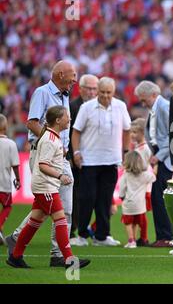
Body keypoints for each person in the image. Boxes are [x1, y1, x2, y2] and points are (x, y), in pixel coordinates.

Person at [5, 60, 77, 267]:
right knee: (58, 208)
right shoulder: (42, 92)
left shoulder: (65, 95)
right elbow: (32, 122)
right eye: (72, 75)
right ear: (61, 74)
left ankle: (18, 242)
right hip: (45, 154)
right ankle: (60, 255)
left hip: (59, 155)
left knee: (47, 208)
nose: (74, 79)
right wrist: (51, 140)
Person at [6, 106, 90, 269]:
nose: (69, 119)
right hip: (46, 187)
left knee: (34, 222)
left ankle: (16, 256)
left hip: (44, 186)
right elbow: (43, 165)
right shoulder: (50, 140)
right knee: (61, 220)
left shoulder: (51, 137)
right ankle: (69, 260)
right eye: (67, 117)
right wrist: (60, 176)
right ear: (58, 120)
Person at [72, 76, 131, 246]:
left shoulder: (120, 106)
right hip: (89, 160)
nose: (105, 96)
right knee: (87, 198)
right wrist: (76, 152)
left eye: (109, 93)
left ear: (114, 92)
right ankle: (82, 234)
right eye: (102, 92)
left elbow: (127, 130)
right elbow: (76, 131)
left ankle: (102, 236)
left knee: (105, 200)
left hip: (111, 160)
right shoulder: (86, 107)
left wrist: (126, 152)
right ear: (97, 91)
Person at [134, 80, 173, 247]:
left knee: (160, 198)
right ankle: (163, 236)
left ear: (153, 94)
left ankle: (166, 236)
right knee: (158, 198)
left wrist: (159, 155)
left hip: (164, 159)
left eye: (144, 100)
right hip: (160, 157)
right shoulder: (155, 108)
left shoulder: (163, 107)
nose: (143, 103)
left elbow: (170, 135)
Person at [68, 74, 99, 246]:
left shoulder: (97, 107)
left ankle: (86, 228)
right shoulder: (73, 107)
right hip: (76, 160)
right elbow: (67, 134)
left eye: (95, 88)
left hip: (93, 159)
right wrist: (71, 156)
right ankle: (73, 230)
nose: (93, 92)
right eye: (89, 88)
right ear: (80, 88)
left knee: (90, 197)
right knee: (75, 197)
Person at [119, 151, 155, 249]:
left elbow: (122, 189)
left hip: (128, 203)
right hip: (140, 205)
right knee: (137, 222)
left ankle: (131, 240)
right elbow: (153, 177)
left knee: (128, 223)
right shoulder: (144, 175)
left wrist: (121, 196)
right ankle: (138, 239)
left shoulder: (126, 175)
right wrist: (154, 166)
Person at [130, 118, 156, 246]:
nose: (132, 135)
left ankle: (144, 237)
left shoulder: (145, 148)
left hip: (143, 185)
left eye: (135, 132)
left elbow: (147, 165)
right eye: (131, 132)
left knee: (141, 212)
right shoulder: (137, 147)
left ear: (142, 132)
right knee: (137, 211)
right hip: (137, 184)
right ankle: (137, 236)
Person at [0, 114, 20, 244]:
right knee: (7, 206)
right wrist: (18, 179)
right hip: (3, 183)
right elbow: (15, 165)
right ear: (6, 127)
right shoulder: (10, 144)